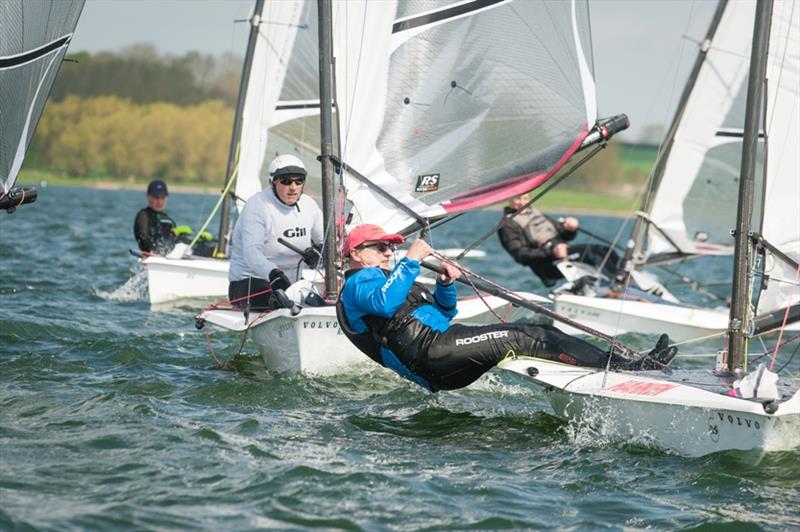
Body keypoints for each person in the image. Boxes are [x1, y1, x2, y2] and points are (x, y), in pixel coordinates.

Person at [336, 224, 677, 392]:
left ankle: (613, 367)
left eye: (390, 247)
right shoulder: (358, 284)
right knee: (526, 336)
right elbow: (384, 304)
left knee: (539, 330)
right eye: (379, 247)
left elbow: (443, 314)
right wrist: (410, 260)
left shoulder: (392, 277)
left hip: (443, 343)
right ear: (355, 253)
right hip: (429, 357)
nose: (387, 252)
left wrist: (444, 285)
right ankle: (628, 369)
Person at [228, 154, 324, 311]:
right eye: (286, 181)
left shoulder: (309, 206)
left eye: (298, 181)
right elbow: (252, 253)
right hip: (250, 283)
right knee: (280, 300)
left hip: (292, 285)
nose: (293, 187)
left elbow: (325, 241)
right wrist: (273, 274)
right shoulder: (258, 206)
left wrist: (319, 253)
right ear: (272, 182)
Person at [497, 193, 621, 287]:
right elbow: (520, 255)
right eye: (518, 199)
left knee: (604, 250)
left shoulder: (535, 213)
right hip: (547, 265)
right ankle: (614, 286)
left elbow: (565, 235)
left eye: (526, 198)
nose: (522, 203)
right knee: (592, 254)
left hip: (563, 254)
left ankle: (623, 278)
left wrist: (570, 229)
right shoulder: (507, 225)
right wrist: (552, 252)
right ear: (510, 199)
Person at [133, 179, 216, 257]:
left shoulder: (167, 218)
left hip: (173, 254)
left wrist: (197, 237)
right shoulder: (143, 216)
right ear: (148, 196)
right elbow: (145, 241)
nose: (159, 201)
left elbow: (172, 239)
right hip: (156, 257)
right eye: (156, 197)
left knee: (205, 243)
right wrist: (174, 233)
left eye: (163, 197)